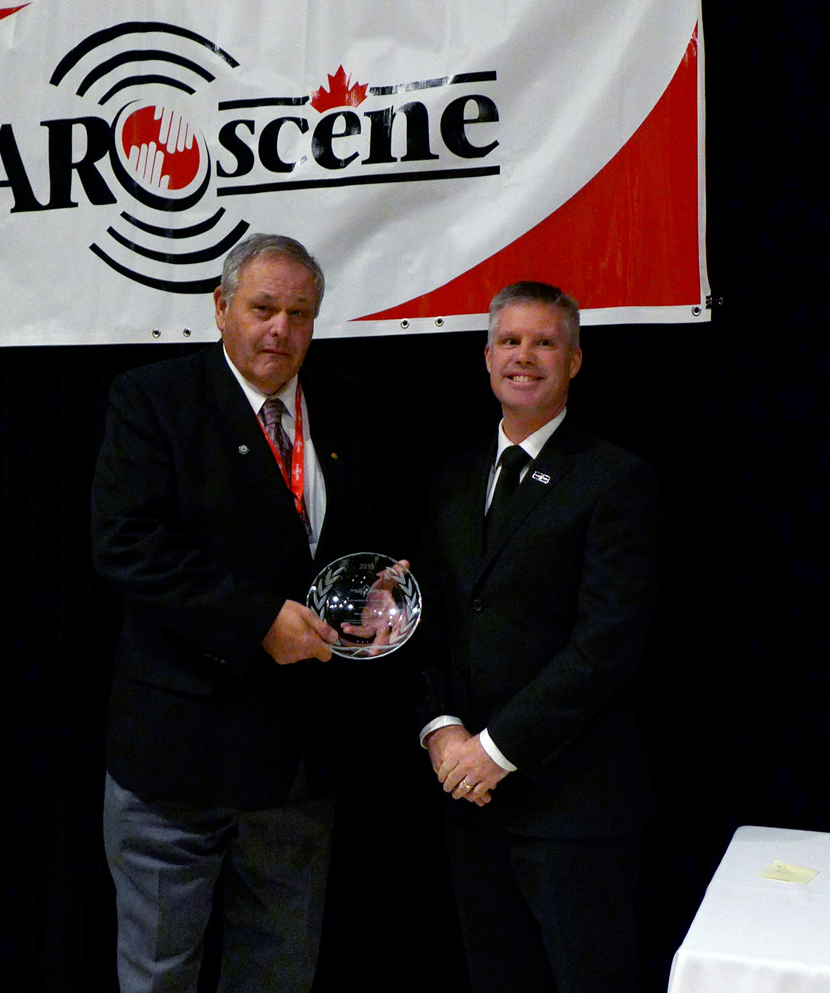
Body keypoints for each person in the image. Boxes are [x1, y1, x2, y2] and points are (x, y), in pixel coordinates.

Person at [91, 234, 376, 993]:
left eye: (299, 313)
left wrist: (378, 585)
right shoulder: (153, 399)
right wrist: (256, 619)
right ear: (221, 309)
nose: (280, 329)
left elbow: (357, 538)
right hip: (176, 762)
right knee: (159, 975)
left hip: (296, 764)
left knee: (279, 975)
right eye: (262, 308)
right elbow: (127, 548)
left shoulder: (347, 404)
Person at [418, 282, 662, 993]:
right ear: (487, 355)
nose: (525, 356)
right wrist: (442, 733)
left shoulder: (617, 479)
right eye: (511, 341)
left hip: (574, 805)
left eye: (545, 342)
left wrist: (494, 751)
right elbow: (433, 626)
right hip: (471, 801)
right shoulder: (453, 480)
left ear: (575, 361)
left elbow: (607, 645)